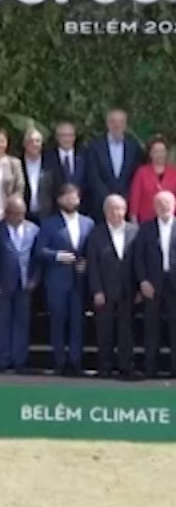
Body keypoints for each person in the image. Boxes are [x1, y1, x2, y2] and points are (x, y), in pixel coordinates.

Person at [35, 183, 93, 376]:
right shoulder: (49, 223)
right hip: (57, 281)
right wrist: (57, 256)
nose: (71, 200)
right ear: (59, 200)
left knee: (78, 322)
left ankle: (76, 361)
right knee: (57, 322)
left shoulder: (88, 223)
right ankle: (59, 362)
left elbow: (92, 251)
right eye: (67, 197)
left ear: (79, 199)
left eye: (74, 197)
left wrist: (86, 263)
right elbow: (39, 250)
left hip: (79, 281)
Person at [87, 195, 138, 378]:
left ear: (125, 211)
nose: (116, 213)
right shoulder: (96, 233)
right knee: (104, 329)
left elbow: (138, 263)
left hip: (128, 290)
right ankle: (105, 366)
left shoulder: (134, 231)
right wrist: (97, 290)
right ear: (105, 212)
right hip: (105, 290)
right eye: (112, 209)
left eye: (120, 209)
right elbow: (92, 265)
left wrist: (139, 288)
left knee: (126, 330)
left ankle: (126, 366)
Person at [0, 195, 39, 373]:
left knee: (22, 322)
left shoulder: (33, 230)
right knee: (2, 321)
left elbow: (37, 258)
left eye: (22, 213)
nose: (19, 217)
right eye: (15, 213)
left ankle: (20, 360)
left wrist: (35, 279)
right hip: (3, 283)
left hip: (25, 283)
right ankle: (3, 359)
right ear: (7, 213)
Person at [130, 190, 176, 378]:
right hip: (152, 285)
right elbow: (138, 258)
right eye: (160, 204)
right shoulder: (146, 228)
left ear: (174, 205)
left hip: (174, 284)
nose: (164, 207)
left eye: (167, 203)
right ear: (154, 207)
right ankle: (150, 368)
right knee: (151, 328)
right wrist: (143, 281)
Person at [86, 109, 142, 220]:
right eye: (113, 121)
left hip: (126, 205)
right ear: (107, 124)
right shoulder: (95, 146)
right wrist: (108, 199)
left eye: (121, 121)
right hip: (101, 206)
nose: (117, 125)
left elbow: (136, 175)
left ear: (125, 124)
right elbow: (93, 175)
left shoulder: (134, 146)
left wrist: (124, 198)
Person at [128, 135, 176, 225]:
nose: (159, 154)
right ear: (150, 154)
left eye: (162, 151)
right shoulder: (141, 172)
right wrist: (134, 220)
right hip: (146, 221)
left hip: (169, 222)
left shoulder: (174, 173)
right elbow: (135, 198)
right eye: (156, 151)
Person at [20, 127, 54, 220]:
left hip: (47, 215)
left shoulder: (50, 163)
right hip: (23, 215)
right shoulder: (18, 163)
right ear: (24, 144)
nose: (34, 144)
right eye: (30, 141)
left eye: (37, 141)